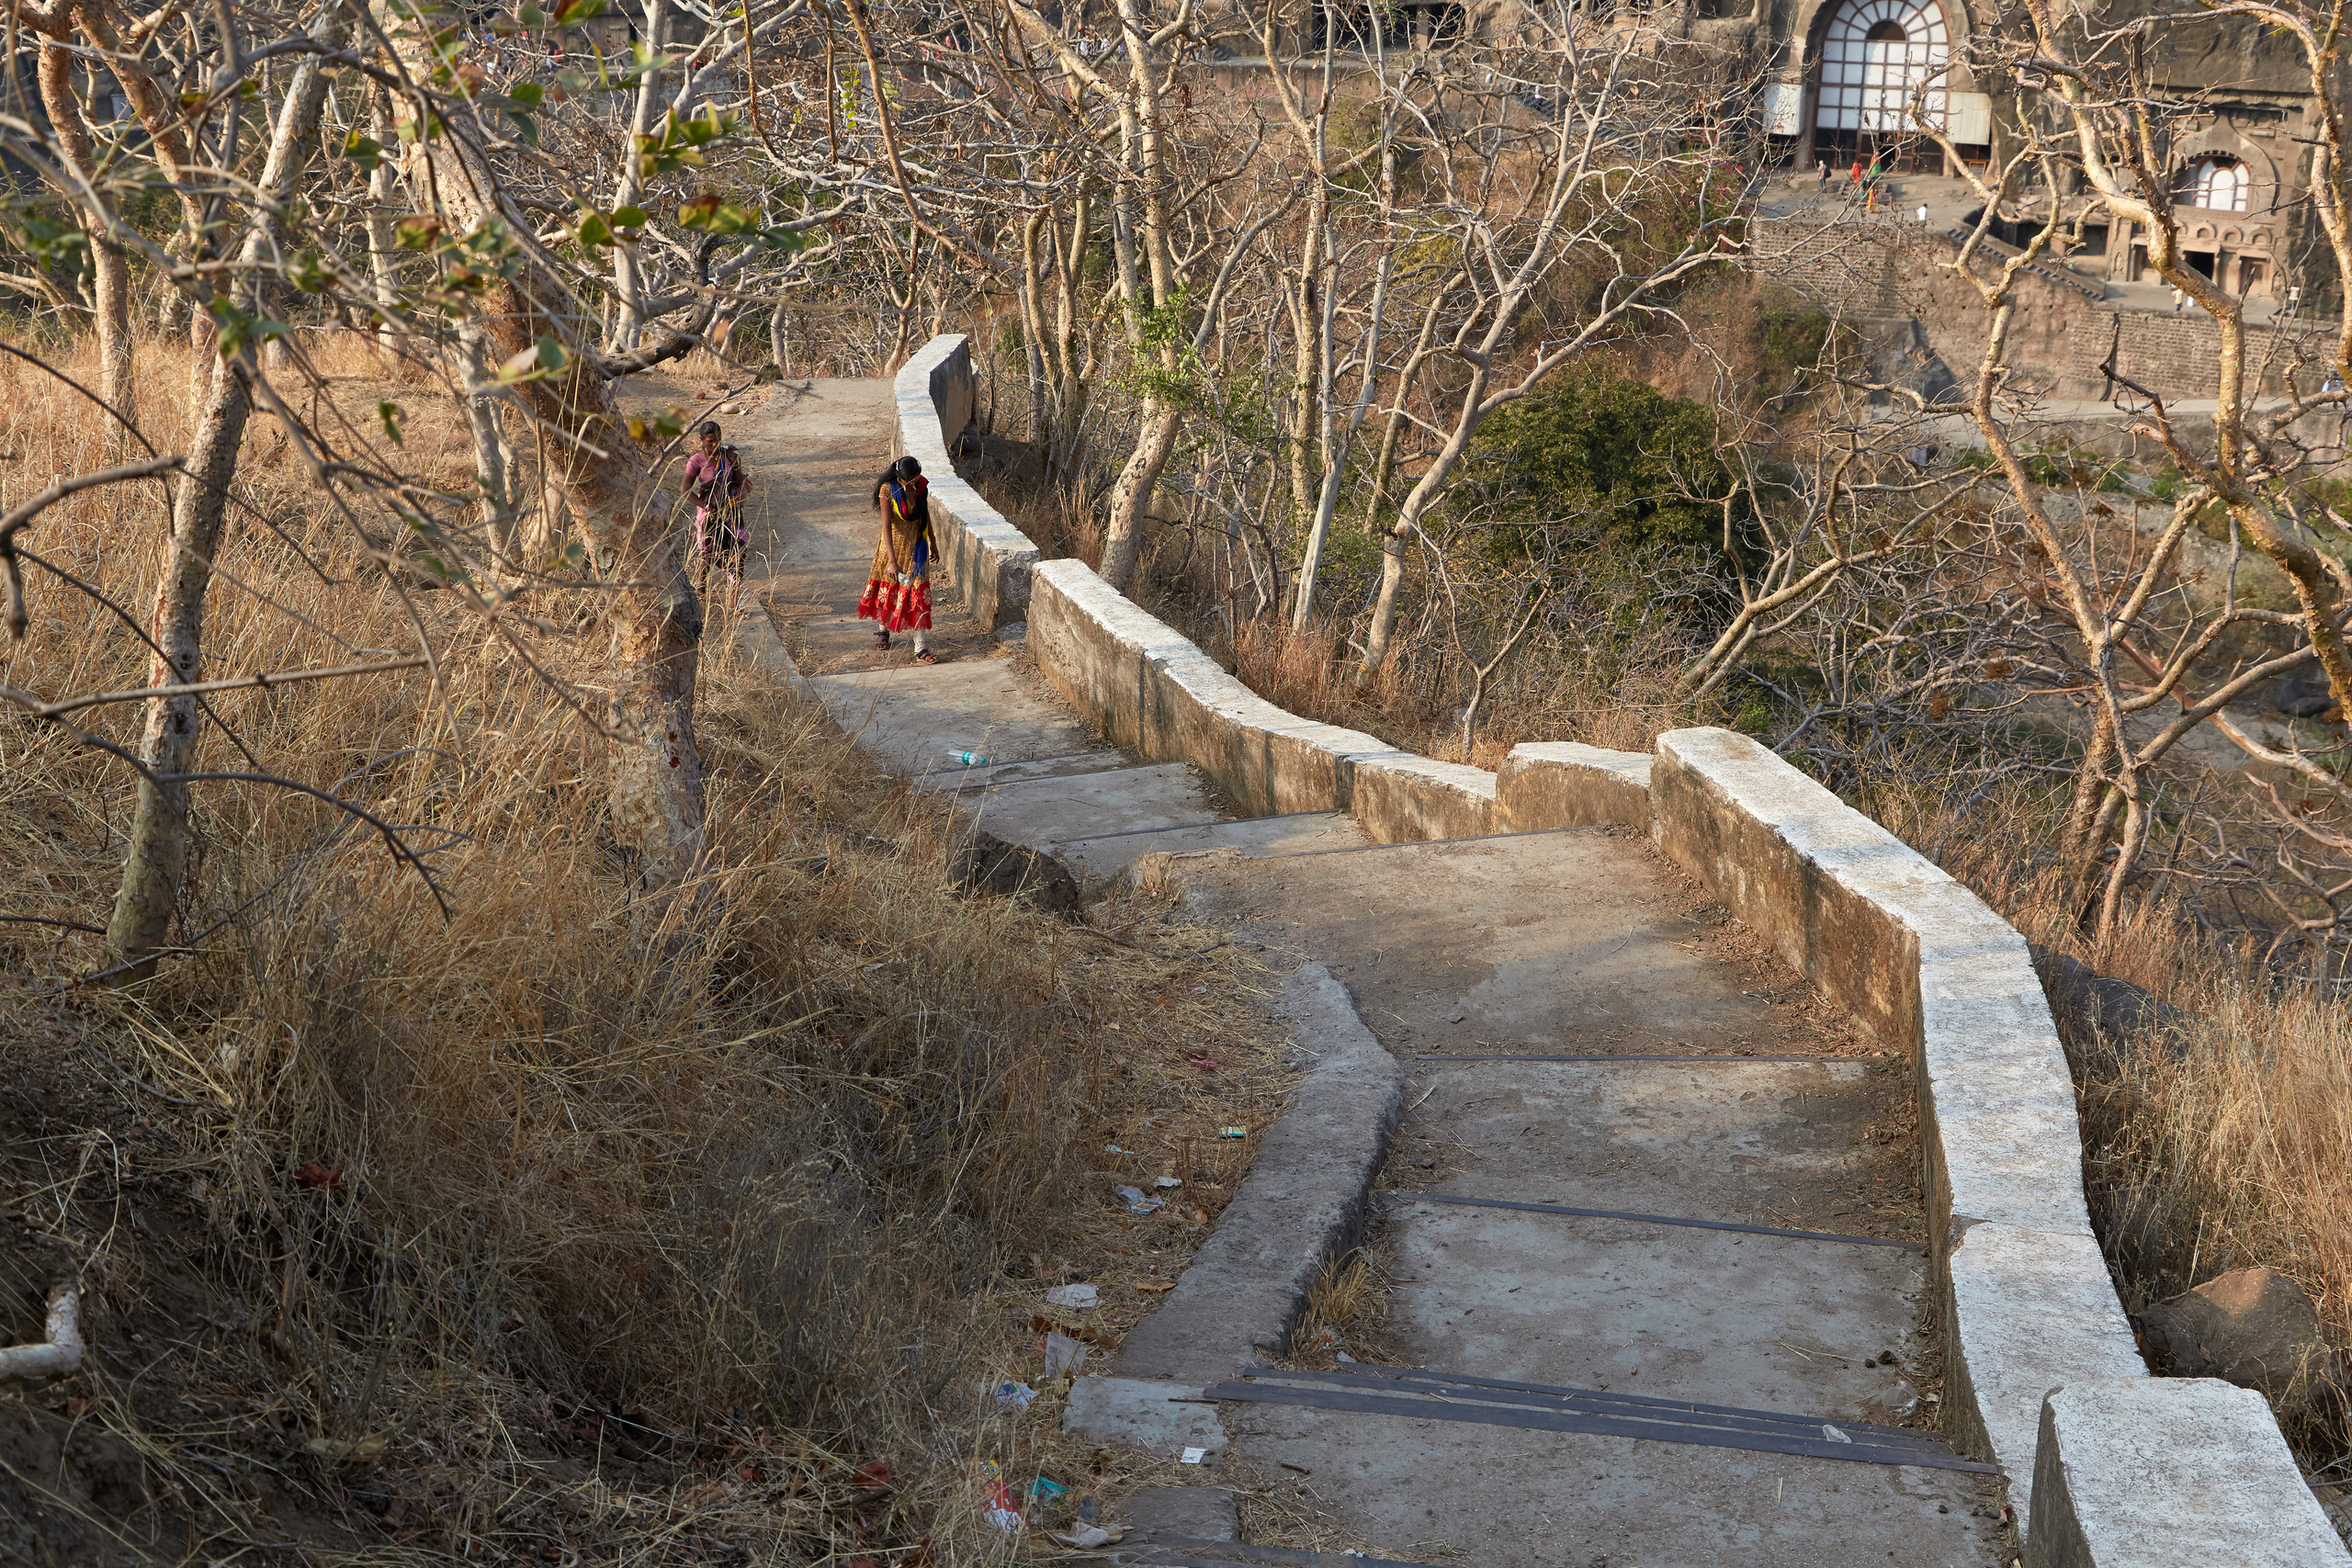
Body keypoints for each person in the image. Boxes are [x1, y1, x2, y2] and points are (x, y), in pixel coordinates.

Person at [860, 455, 935, 662]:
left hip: (916, 550)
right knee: (889, 588)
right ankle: (883, 630)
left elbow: (925, 515)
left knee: (917, 593)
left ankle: (920, 648)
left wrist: (933, 542)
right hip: (892, 548)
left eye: (916, 479)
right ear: (900, 478)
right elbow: (886, 526)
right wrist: (892, 562)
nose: (914, 484)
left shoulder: (921, 487)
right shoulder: (888, 490)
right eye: (910, 481)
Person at [682, 421, 750, 596]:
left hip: (731, 511)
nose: (715, 444)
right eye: (710, 441)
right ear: (702, 440)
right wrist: (707, 507)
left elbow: (739, 482)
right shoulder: (696, 461)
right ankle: (702, 587)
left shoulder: (728, 457)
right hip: (709, 513)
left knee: (738, 551)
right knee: (709, 552)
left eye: (718, 440)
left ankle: (733, 600)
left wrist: (735, 466)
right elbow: (685, 491)